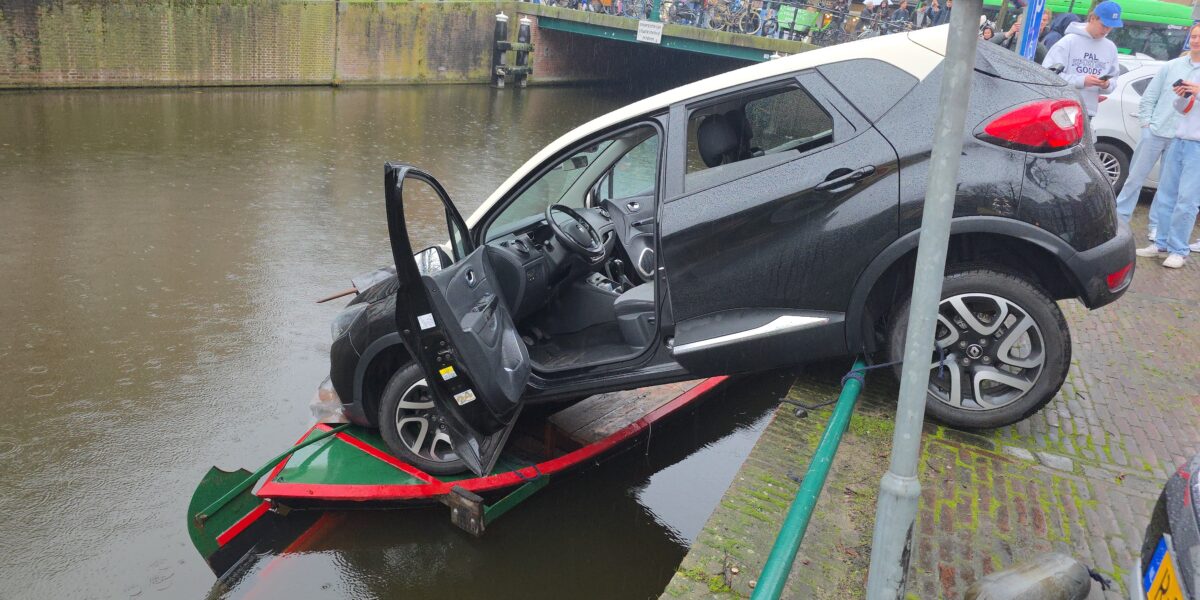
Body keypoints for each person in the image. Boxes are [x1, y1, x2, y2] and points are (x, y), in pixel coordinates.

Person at [1115, 28, 1198, 231]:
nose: (1196, 41)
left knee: (1166, 187)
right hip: (1156, 130)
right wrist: (1146, 125)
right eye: (1194, 36)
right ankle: (1119, 220)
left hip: (1181, 138)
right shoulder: (1171, 66)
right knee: (1134, 179)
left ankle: (1156, 227)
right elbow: (1150, 96)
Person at [1136, 25, 1200, 268]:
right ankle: (1160, 242)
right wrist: (1183, 95)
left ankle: (1179, 249)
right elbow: (1182, 109)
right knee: (1165, 194)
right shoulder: (1180, 66)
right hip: (1179, 138)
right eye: (1194, 36)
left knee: (1187, 200)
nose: (1196, 41)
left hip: (1197, 144)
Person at [1041, 1, 1122, 119]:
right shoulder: (1069, 41)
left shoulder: (1110, 47)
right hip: (1061, 107)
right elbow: (1048, 75)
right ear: (1093, 18)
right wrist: (1082, 81)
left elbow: (1114, 79)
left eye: (1110, 27)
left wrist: (1106, 84)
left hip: (1087, 111)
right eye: (1104, 25)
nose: (1106, 30)